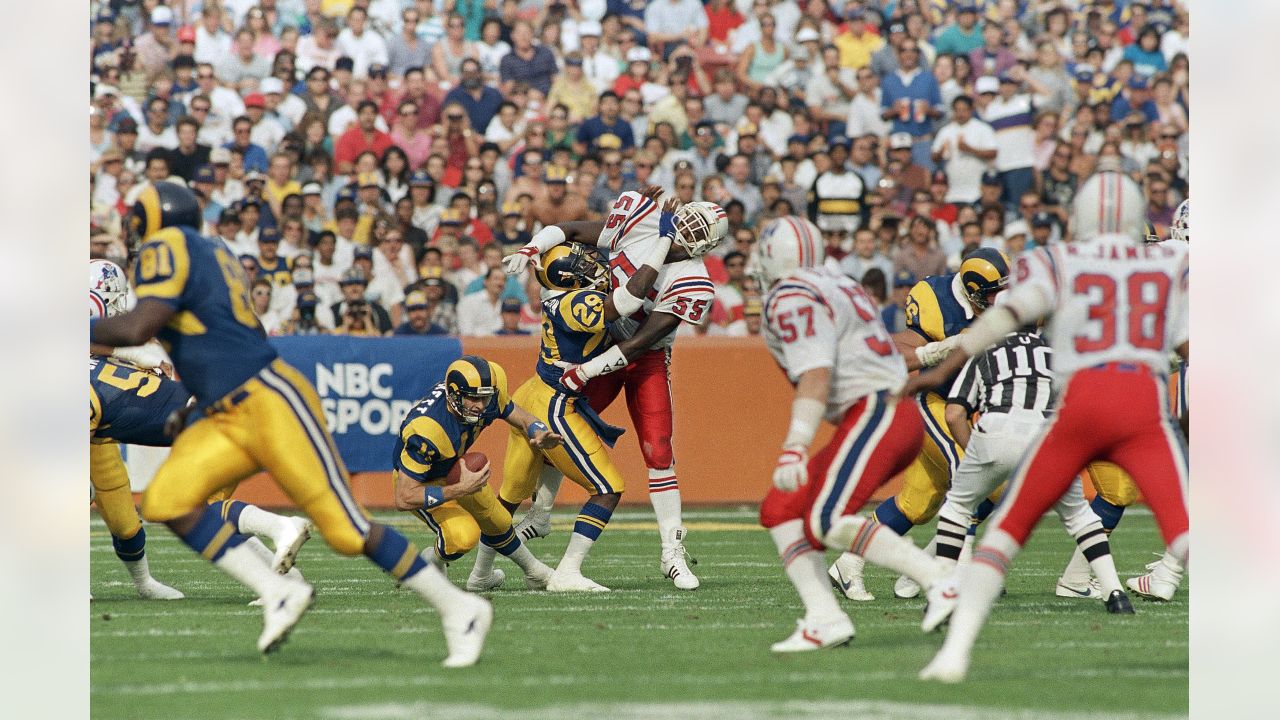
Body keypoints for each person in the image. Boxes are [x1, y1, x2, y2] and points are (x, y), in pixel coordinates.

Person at [89, 182, 493, 666]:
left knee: (346, 531)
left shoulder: (169, 247)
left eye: (138, 217)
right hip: (227, 406)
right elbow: (244, 330)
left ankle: (459, 607)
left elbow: (136, 328)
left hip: (268, 400)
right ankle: (277, 593)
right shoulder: (211, 253)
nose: (133, 228)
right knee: (168, 500)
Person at [914, 171, 1187, 683]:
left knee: (1007, 529)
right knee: (1187, 525)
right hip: (1142, 407)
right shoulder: (1168, 262)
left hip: (1077, 406)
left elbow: (1002, 318)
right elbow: (1192, 349)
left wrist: (940, 364)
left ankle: (954, 652)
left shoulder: (1056, 259)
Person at [503, 188, 730, 590]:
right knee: (562, 424)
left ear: (707, 246)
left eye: (698, 229)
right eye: (688, 219)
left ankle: (671, 550)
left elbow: (640, 342)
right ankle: (541, 513)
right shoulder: (641, 224)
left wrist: (586, 371)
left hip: (643, 359)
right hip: (602, 341)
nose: (687, 230)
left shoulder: (692, 279)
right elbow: (570, 228)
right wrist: (530, 248)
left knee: (658, 450)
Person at [753, 215, 946, 652]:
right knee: (781, 508)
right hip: (889, 408)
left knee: (826, 519)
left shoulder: (792, 293)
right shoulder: (837, 280)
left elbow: (816, 373)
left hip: (876, 408)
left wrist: (795, 446)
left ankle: (940, 580)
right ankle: (824, 617)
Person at [477, 232, 675, 591]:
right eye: (582, 264)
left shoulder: (561, 295)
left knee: (508, 496)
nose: (593, 264)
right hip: (554, 403)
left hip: (532, 393)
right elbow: (628, 301)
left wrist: (534, 246)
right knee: (607, 487)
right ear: (569, 278)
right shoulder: (575, 302)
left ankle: (480, 575)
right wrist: (662, 243)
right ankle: (567, 572)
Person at [827, 248, 1011, 600]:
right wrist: (944, 348)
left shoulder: (1009, 303)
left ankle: (850, 565)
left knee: (918, 503)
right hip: (934, 401)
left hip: (969, 406)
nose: (1000, 299)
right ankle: (956, 576)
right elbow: (900, 351)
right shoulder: (933, 298)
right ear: (972, 290)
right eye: (992, 293)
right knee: (971, 477)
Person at [926, 330, 1127, 602]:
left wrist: (975, 450)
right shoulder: (1056, 350)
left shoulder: (985, 346)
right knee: (1081, 517)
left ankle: (944, 591)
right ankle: (1114, 592)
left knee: (957, 507)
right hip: (1048, 436)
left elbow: (954, 413)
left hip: (996, 430)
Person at [391, 356, 562, 586]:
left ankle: (535, 573)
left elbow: (521, 417)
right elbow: (403, 497)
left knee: (499, 521)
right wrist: (458, 489)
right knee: (461, 537)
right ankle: (429, 560)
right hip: (422, 482)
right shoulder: (427, 430)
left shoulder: (489, 393)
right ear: (453, 395)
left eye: (484, 398)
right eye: (472, 398)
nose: (480, 405)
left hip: (454, 467)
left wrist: (538, 430)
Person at [931, 96, 997, 205]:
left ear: (971, 110)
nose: (960, 114)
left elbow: (993, 153)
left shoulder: (982, 129)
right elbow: (934, 156)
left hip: (976, 190)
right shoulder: (946, 131)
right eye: (957, 110)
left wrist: (969, 149)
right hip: (952, 190)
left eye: (964, 110)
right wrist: (941, 152)